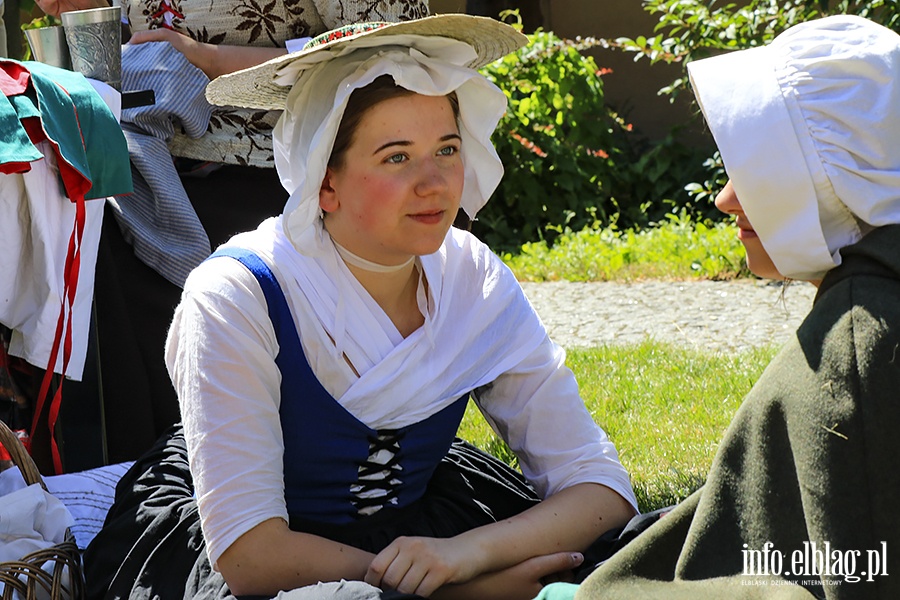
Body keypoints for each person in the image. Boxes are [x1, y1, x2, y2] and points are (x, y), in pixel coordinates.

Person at [83, 14, 638, 600]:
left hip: (424, 537)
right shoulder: (237, 294)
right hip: (250, 556)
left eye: (447, 149)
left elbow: (598, 485)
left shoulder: (469, 277)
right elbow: (251, 555)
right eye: (397, 157)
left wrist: (469, 554)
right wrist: (460, 591)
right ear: (325, 182)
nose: (435, 183)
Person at [535, 14, 900, 600]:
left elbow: (849, 574)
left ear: (830, 176)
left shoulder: (860, 340)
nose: (726, 198)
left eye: (757, 173)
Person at [31, 0, 428, 466]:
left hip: (294, 172)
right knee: (65, 234)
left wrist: (210, 60)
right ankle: (127, 487)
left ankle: (196, 477)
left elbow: (396, 52)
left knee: (125, 272)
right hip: (158, 157)